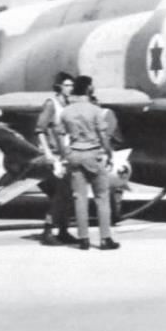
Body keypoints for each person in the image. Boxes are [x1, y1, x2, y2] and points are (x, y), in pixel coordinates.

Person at [58, 75, 120, 251]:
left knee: (80, 199)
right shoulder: (95, 111)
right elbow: (103, 135)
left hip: (75, 155)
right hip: (93, 154)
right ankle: (105, 238)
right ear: (88, 89)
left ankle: (83, 239)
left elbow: (60, 135)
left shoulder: (66, 111)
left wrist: (66, 154)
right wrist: (109, 153)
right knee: (102, 198)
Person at [35, 72, 77, 246]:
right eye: (67, 85)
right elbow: (40, 129)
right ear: (59, 86)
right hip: (55, 156)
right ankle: (48, 230)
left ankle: (63, 230)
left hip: (67, 154)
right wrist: (48, 153)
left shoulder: (69, 105)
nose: (71, 88)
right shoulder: (51, 105)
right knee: (60, 195)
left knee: (68, 195)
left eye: (72, 85)